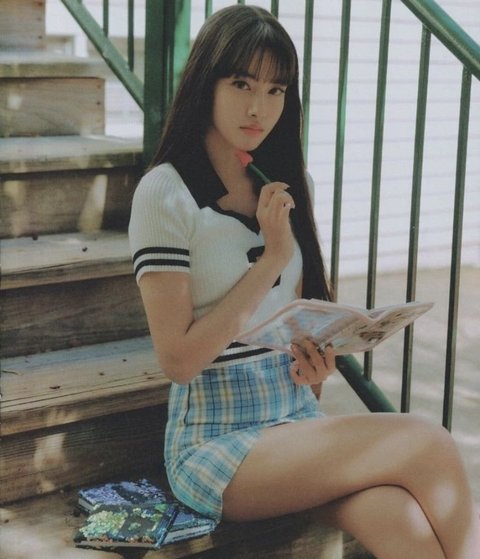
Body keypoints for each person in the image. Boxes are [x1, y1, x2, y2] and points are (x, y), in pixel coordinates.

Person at [128, 5, 479, 558]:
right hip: (217, 446)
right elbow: (179, 361)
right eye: (241, 84)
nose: (258, 107)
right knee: (427, 442)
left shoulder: (288, 184)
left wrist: (314, 368)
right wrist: (271, 258)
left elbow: (286, 329)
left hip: (293, 419)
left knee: (401, 517)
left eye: (275, 90)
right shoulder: (164, 193)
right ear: (205, 83)